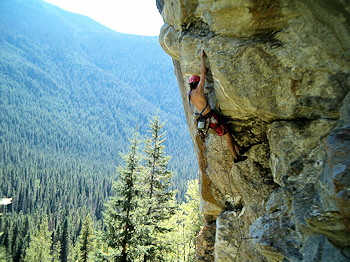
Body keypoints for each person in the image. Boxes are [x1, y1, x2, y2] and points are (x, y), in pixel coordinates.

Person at [188, 50, 247, 163]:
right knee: (228, 137)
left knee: (228, 132)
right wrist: (202, 58)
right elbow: (203, 72)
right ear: (197, 83)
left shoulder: (190, 95)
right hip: (212, 118)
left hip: (206, 119)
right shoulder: (199, 90)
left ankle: (239, 148)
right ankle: (236, 157)